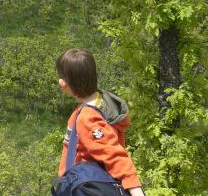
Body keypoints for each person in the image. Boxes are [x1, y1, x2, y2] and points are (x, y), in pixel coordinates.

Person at [56, 48, 145, 196]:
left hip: (86, 189)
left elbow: (113, 154)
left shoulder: (87, 118)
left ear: (63, 83)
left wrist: (136, 191)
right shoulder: (104, 103)